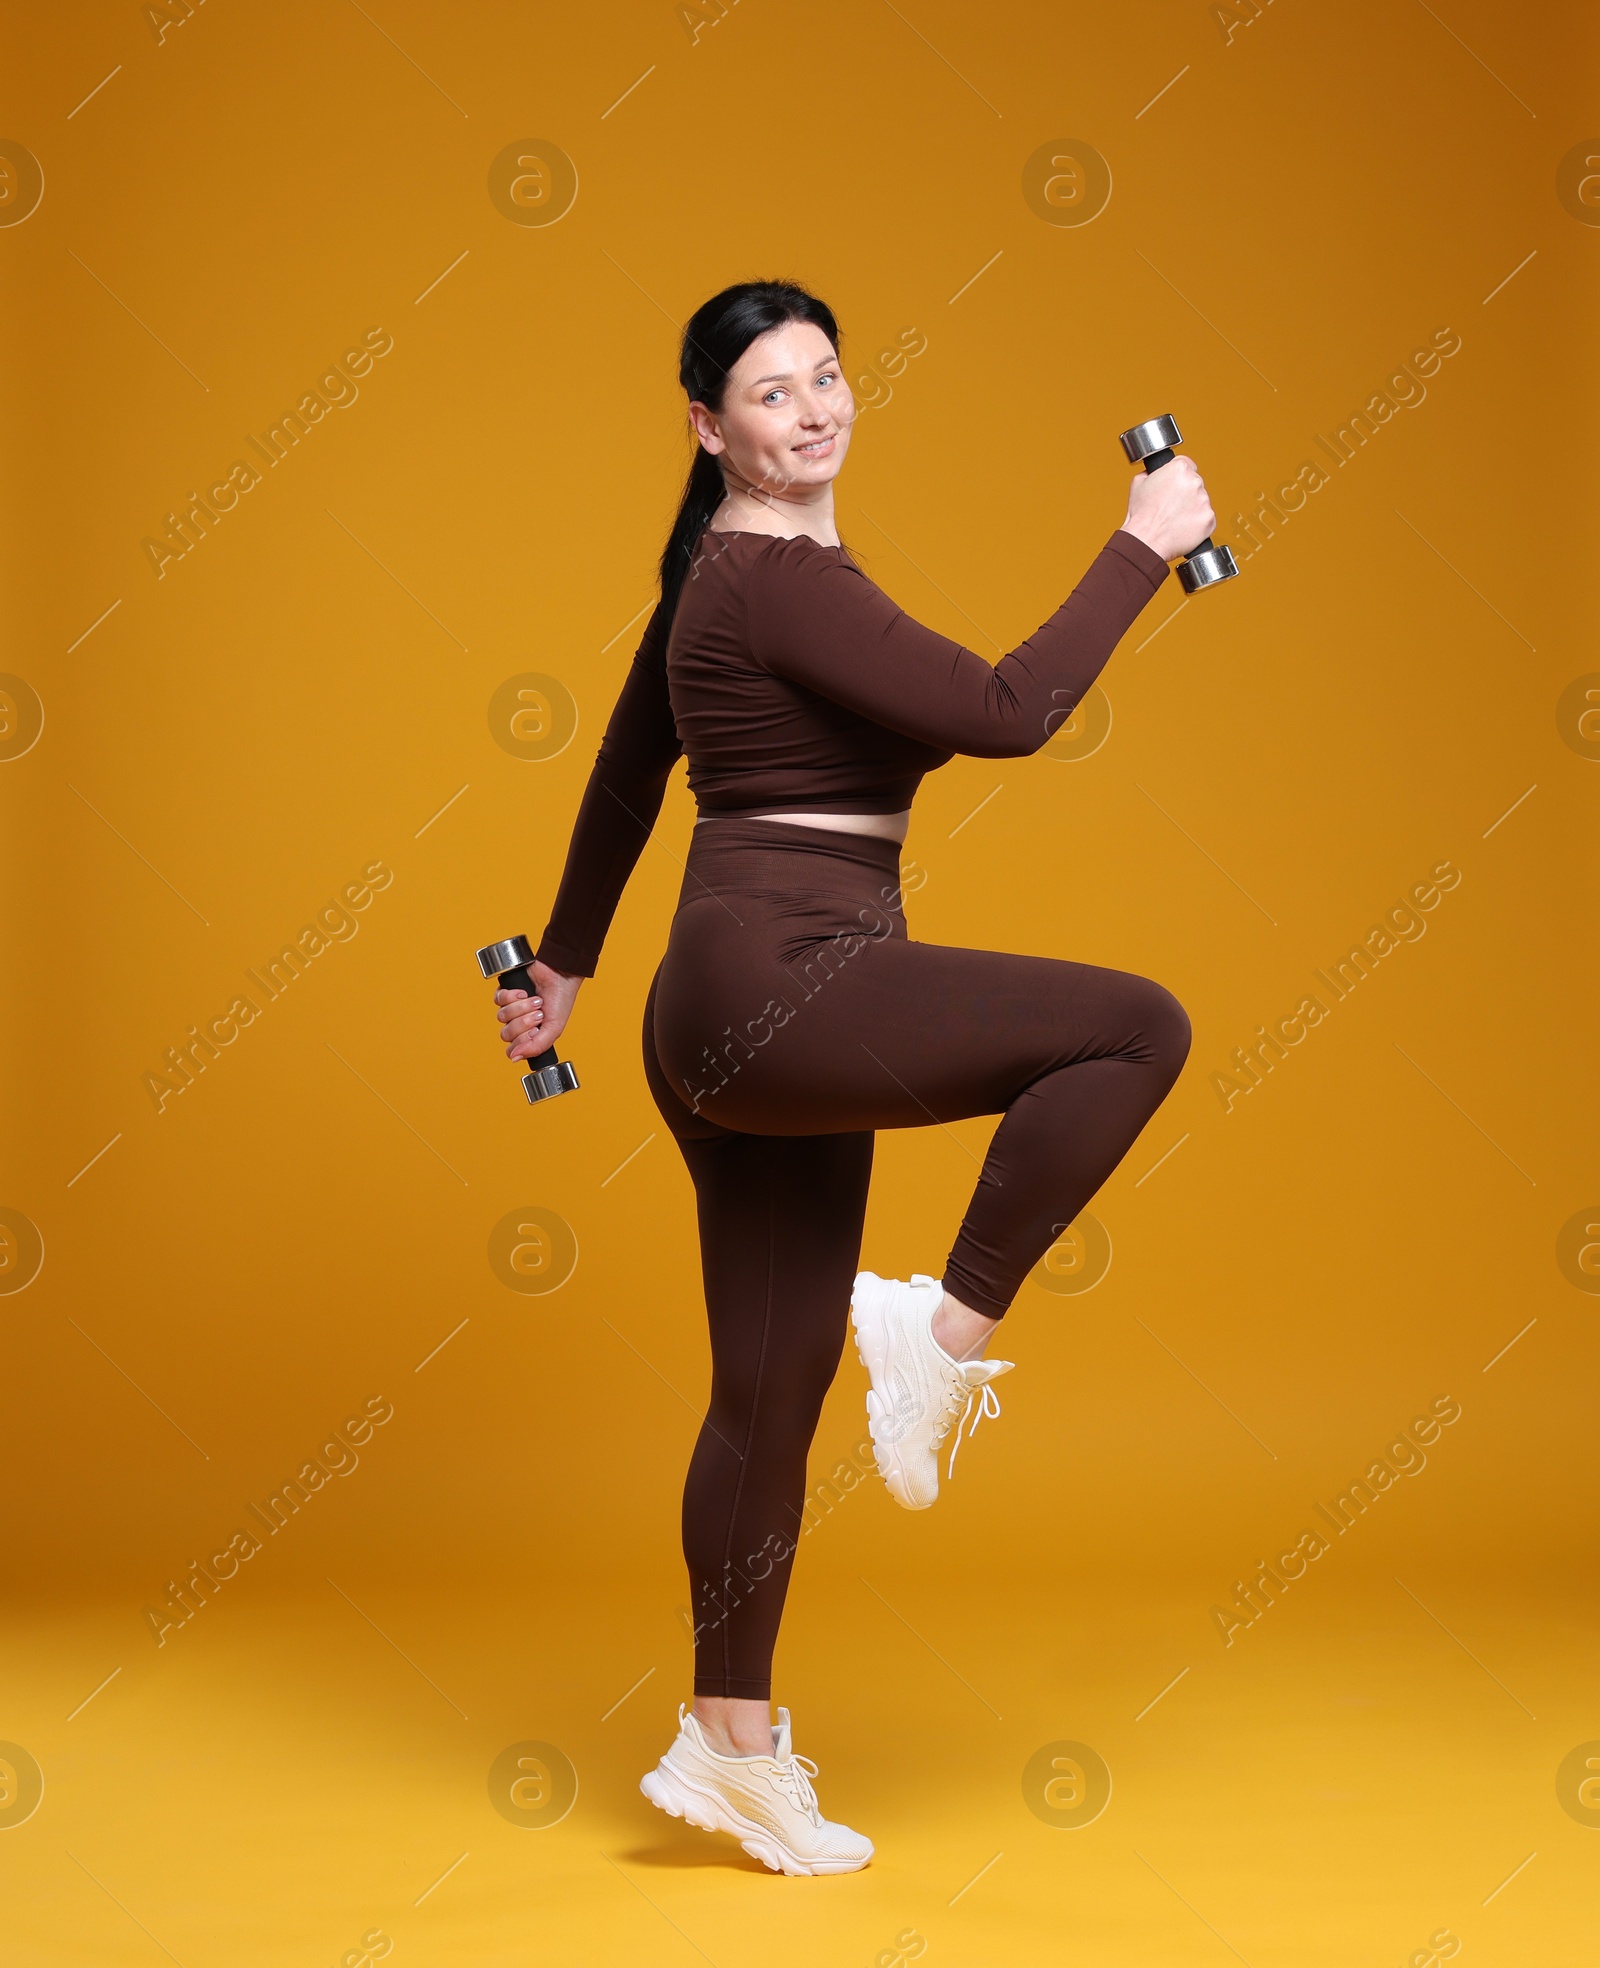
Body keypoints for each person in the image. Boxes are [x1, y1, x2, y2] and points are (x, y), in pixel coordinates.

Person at [493, 280, 1210, 1874]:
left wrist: (565, 965)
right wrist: (1143, 543)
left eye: (829, 378)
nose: (812, 411)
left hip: (719, 1004)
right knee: (1137, 1026)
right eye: (770, 393)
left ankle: (726, 1746)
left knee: (768, 1386)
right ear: (709, 426)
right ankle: (937, 1334)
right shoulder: (766, 574)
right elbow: (1006, 714)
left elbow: (627, 762)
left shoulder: (726, 573)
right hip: (784, 983)